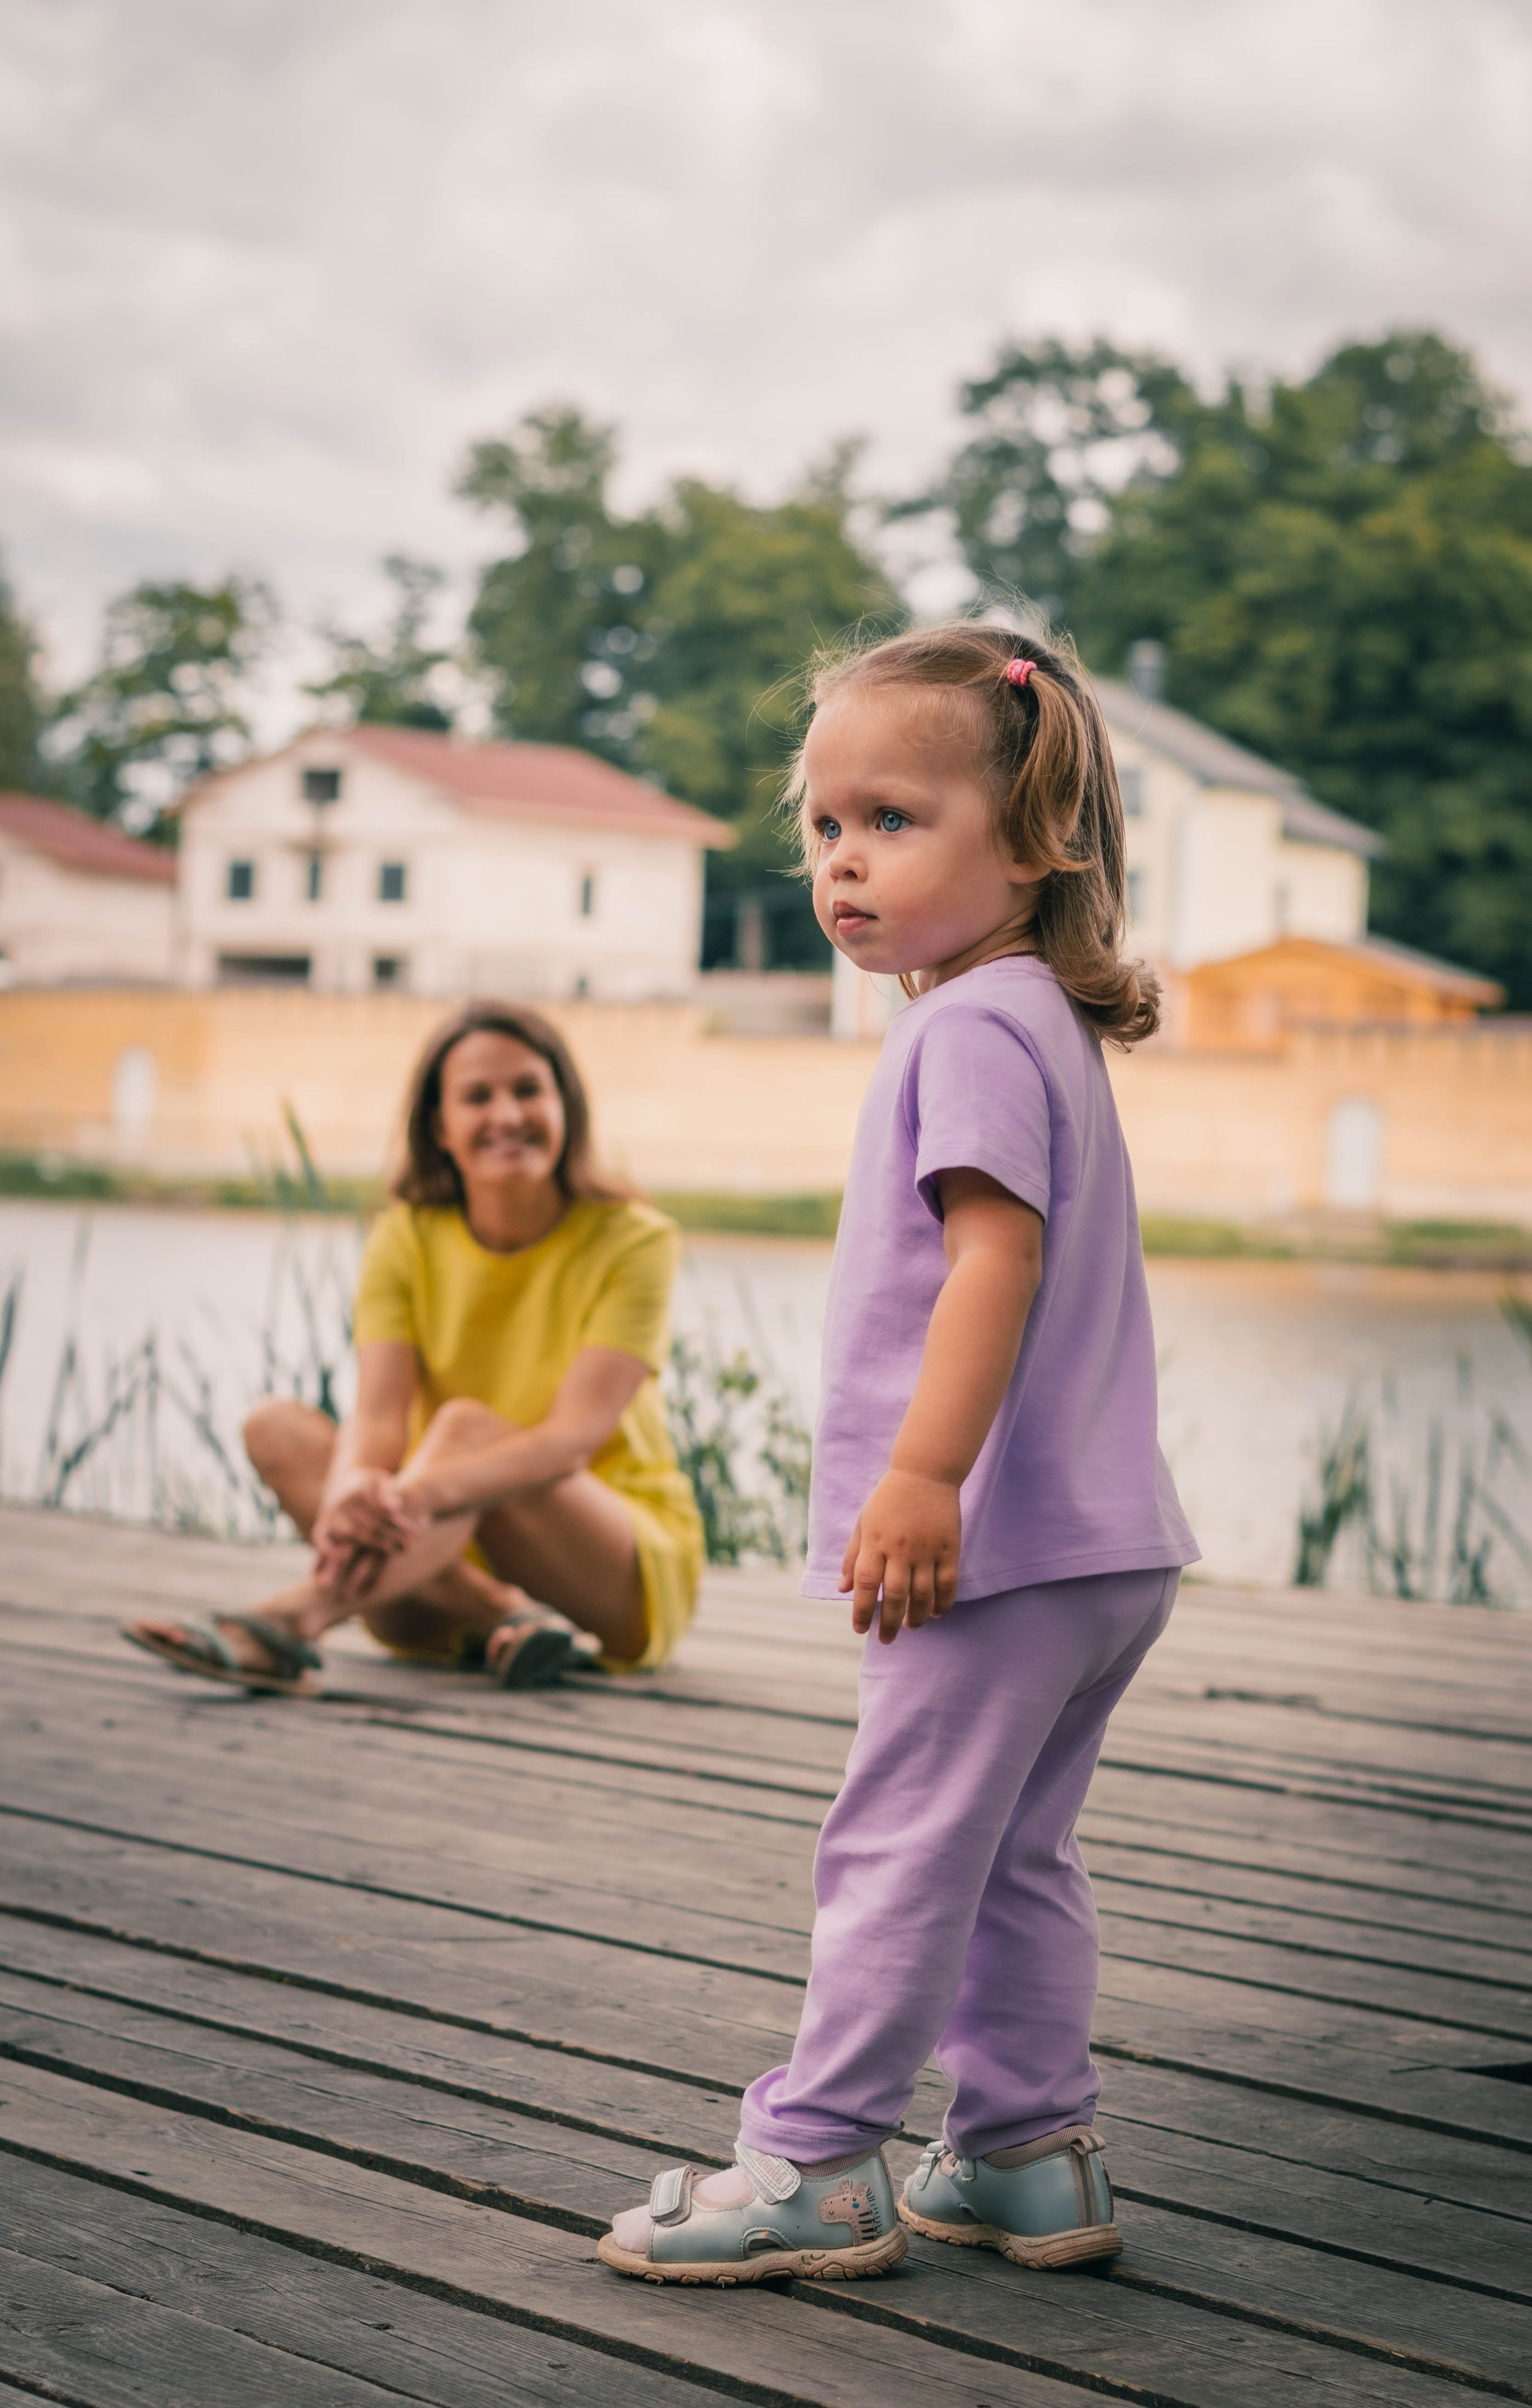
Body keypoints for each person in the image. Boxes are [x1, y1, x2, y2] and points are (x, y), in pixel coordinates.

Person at [598, 623, 1197, 2286]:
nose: (841, 860)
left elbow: (992, 1260)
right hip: (1099, 1548)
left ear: (1036, 839)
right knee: (1013, 1858)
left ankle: (815, 2162)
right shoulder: (1034, 1018)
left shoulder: (965, 1032)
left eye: (892, 819)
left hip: (991, 1547)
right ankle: (1023, 2153)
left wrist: (923, 1479)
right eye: (822, 824)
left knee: (897, 1851)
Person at [126, 1003, 704, 1693]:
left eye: (528, 1089)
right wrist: (352, 1486)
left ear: (566, 1107)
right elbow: (377, 1418)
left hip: (613, 1564)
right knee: (275, 1428)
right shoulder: (404, 1237)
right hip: (430, 1548)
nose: (507, 1114)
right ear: (440, 1127)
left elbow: (571, 1439)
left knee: (464, 1426)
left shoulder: (634, 1239)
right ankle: (501, 1613)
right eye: (477, 1096)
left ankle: (294, 1618)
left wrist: (410, 1496)